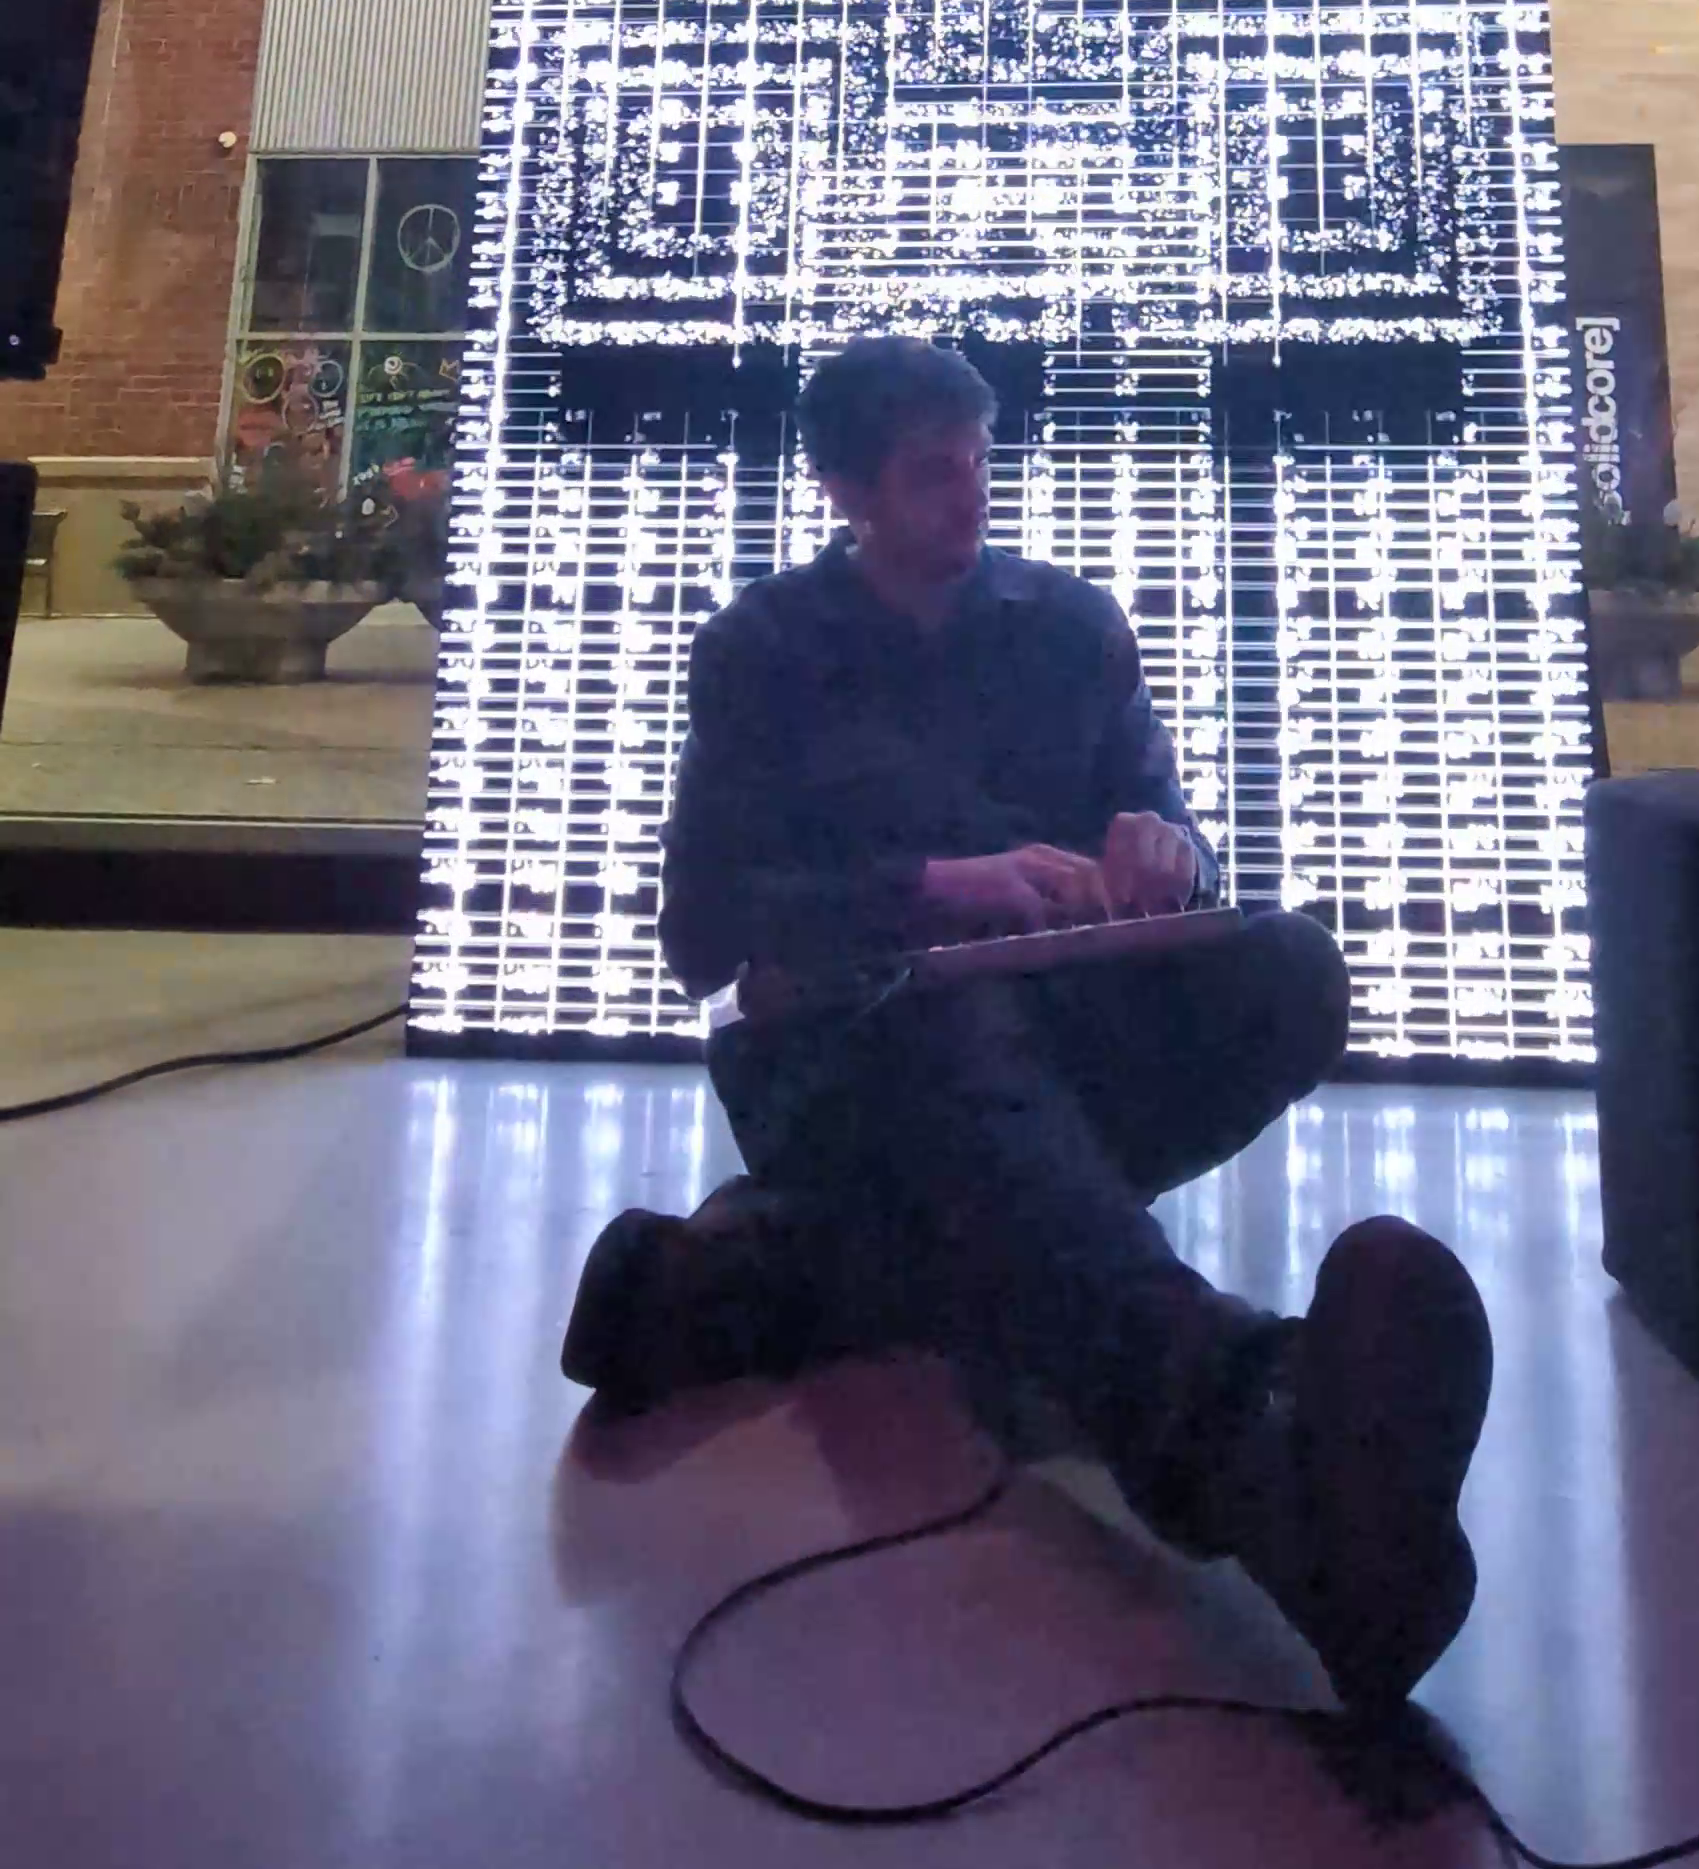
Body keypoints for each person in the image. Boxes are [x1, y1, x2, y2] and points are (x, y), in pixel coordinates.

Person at [563, 333, 1494, 1718]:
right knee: (963, 1048)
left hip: (1051, 1042)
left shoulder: (1071, 627)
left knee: (1289, 969)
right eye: (934, 473)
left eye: (980, 462)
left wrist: (1166, 853)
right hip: (845, 1044)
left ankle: (748, 1280)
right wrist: (938, 891)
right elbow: (703, 931)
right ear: (842, 488)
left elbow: (1178, 840)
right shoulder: (763, 651)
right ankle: (1254, 1440)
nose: (972, 495)